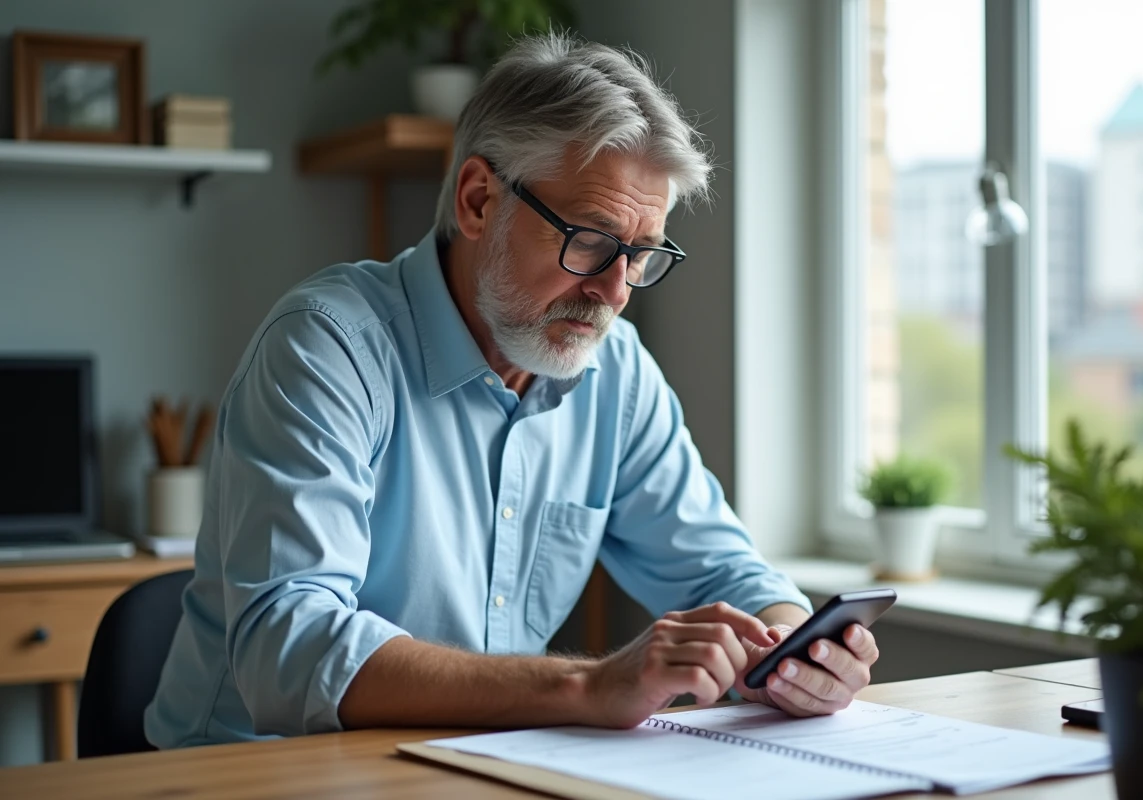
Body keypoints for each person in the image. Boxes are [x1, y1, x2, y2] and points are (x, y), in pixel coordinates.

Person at [145, 32, 879, 748]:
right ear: (476, 201)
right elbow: (290, 650)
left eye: (642, 255)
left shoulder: (614, 370)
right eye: (589, 241)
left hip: (469, 763)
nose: (614, 292)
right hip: (251, 771)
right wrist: (589, 688)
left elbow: (723, 570)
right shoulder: (326, 345)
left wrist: (794, 648)